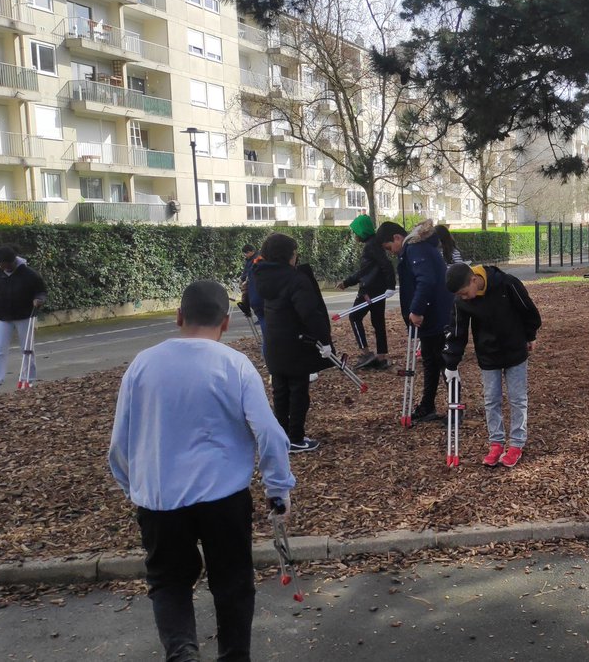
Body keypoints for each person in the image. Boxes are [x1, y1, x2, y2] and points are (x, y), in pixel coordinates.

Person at [108, 280, 296, 662]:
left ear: (179, 317)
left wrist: (134, 487)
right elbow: (271, 434)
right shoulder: (234, 365)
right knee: (233, 582)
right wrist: (278, 488)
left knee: (168, 582)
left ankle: (183, 653)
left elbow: (119, 444)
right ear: (226, 323)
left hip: (160, 497)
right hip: (223, 498)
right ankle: (234, 654)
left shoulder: (142, 364)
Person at [443, 262, 541, 467]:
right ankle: (496, 442)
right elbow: (457, 331)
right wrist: (451, 363)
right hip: (488, 354)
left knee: (517, 398)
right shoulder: (462, 301)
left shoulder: (507, 283)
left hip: (514, 349)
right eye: (459, 295)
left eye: (463, 292)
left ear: (473, 280)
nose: (463, 297)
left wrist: (530, 335)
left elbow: (527, 309)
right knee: (491, 400)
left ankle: (516, 444)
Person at [253, 233, 333, 452]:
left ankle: (281, 434)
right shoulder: (295, 279)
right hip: (296, 343)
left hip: (274, 341)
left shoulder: (262, 276)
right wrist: (324, 339)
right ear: (289, 255)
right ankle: (296, 437)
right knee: (298, 391)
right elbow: (309, 313)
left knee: (280, 390)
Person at [376, 219, 455, 423]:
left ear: (397, 238)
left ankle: (455, 408)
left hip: (434, 316)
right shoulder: (416, 249)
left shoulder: (415, 250)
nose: (391, 252)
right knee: (431, 362)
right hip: (433, 316)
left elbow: (425, 280)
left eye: (389, 247)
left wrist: (417, 310)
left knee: (443, 362)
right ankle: (428, 405)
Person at [0, 246, 46, 397]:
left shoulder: (29, 274)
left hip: (25, 316)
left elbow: (41, 291)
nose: (6, 268)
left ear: (14, 261)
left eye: (8, 265)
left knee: (27, 349)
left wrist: (39, 299)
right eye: (2, 266)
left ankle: (27, 380)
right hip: (3, 318)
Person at [336, 214, 395, 371]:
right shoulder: (375, 244)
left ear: (361, 232)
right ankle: (381, 357)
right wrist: (388, 287)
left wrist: (391, 286)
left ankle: (365, 352)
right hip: (379, 290)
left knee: (354, 317)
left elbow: (380, 267)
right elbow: (371, 269)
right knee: (378, 321)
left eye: (355, 232)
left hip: (368, 291)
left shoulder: (370, 246)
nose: (354, 236)